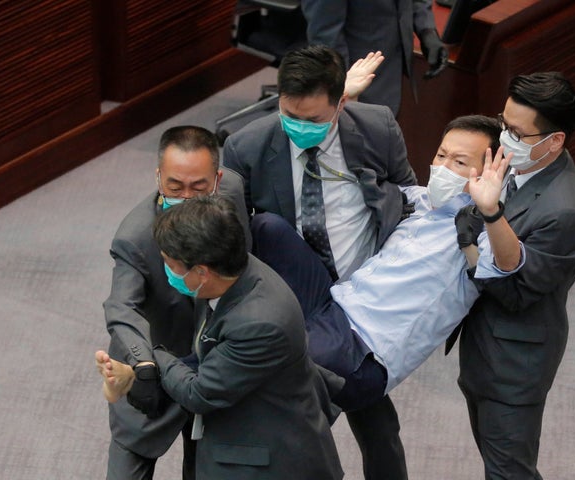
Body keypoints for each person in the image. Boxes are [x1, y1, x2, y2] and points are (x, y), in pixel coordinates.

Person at [223, 44, 416, 480]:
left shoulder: (378, 127)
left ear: (341, 102)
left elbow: (408, 198)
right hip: (295, 304)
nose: (297, 127)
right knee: (298, 422)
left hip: (359, 303)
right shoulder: (246, 147)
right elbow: (237, 237)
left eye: (311, 120)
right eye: (288, 113)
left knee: (378, 425)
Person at [252, 115, 508, 409]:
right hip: (333, 304)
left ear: (488, 172)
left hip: (360, 350)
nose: (443, 167)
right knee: (266, 227)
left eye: (459, 162)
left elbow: (505, 269)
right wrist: (338, 105)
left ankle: (200, 374)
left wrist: (490, 210)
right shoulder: (417, 198)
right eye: (441, 155)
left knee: (261, 358)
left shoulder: (482, 231)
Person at [96, 195, 343, 480]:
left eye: (170, 264)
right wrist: (135, 375)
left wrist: (154, 359)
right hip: (239, 438)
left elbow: (198, 393)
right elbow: (205, 355)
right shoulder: (226, 274)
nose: (167, 273)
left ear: (201, 271)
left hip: (271, 463)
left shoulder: (259, 322)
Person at [447, 71, 575, 479]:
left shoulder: (563, 212)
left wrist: (478, 235)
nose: (503, 137)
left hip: (514, 366)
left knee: (509, 473)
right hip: (483, 350)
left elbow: (515, 293)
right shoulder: (526, 162)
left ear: (555, 140)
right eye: (503, 122)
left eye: (515, 131)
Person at [102, 126, 251, 480]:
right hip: (154, 365)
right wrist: (144, 366)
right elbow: (122, 307)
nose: (187, 197)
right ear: (158, 177)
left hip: (215, 369)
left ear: (216, 181)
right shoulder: (134, 238)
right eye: (174, 188)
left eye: (198, 188)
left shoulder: (232, 191)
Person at [301, 0, 449, 116]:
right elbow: (325, 35)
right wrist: (342, 92)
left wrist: (426, 30)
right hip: (354, 84)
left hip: (393, 74)